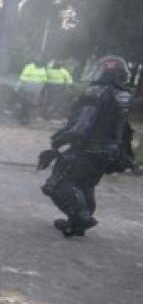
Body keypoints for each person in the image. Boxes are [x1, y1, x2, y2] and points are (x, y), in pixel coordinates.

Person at [40, 56, 135, 237]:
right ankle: (76, 224)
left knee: (58, 183)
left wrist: (60, 139)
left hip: (88, 147)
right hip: (109, 151)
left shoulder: (96, 92)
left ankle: (81, 217)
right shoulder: (125, 96)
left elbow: (82, 124)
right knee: (85, 183)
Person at [16, 59, 48, 124]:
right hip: (28, 87)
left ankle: (26, 117)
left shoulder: (42, 68)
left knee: (30, 103)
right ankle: (24, 117)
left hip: (35, 89)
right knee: (26, 102)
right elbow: (23, 77)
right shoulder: (29, 67)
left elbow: (44, 79)